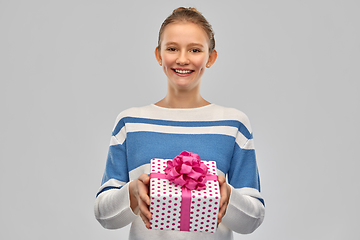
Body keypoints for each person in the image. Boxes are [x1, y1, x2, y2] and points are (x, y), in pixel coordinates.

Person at [94, 7, 265, 240]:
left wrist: (228, 197)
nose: (182, 59)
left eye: (195, 50)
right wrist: (131, 194)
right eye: (172, 48)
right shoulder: (130, 123)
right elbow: (104, 215)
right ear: (159, 54)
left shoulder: (233, 124)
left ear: (210, 57)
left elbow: (253, 220)